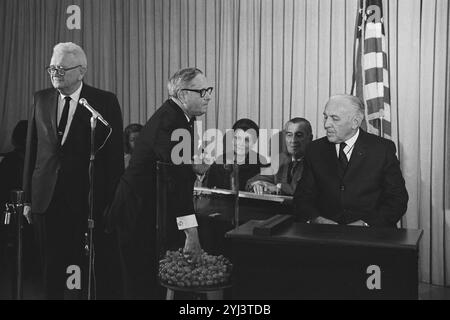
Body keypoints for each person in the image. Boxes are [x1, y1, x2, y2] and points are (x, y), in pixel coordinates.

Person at [22, 42, 124, 299]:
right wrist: (27, 198)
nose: (55, 73)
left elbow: (113, 158)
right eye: (52, 68)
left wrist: (112, 202)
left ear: (81, 71)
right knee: (50, 267)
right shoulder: (41, 98)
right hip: (46, 198)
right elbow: (32, 152)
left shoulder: (104, 101)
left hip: (86, 200)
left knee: (86, 267)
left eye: (61, 69)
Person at [107, 67, 213, 299]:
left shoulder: (182, 117)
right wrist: (192, 233)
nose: (207, 96)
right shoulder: (172, 122)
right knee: (140, 285)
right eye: (202, 91)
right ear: (182, 94)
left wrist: (192, 165)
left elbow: (177, 167)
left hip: (146, 209)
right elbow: (177, 182)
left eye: (208, 90)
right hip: (136, 212)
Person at [294, 94, 408, 227]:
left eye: (334, 119)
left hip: (371, 236)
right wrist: (316, 219)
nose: (326, 125)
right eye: (325, 117)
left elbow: (397, 200)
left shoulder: (382, 149)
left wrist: (366, 224)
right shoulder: (315, 149)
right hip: (325, 236)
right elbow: (302, 198)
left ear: (355, 122)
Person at [246, 117, 313, 195]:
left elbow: (302, 191)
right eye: (289, 135)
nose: (293, 140)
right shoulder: (281, 159)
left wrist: (278, 187)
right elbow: (251, 181)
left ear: (310, 138)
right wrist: (258, 184)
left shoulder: (315, 162)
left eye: (299, 135)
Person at [205, 118, 267, 191]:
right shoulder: (219, 163)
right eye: (237, 138)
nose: (241, 144)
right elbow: (208, 192)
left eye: (246, 140)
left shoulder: (261, 163)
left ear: (254, 143)